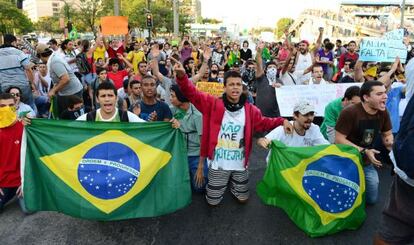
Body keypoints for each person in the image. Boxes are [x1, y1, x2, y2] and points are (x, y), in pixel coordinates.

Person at [174, 63, 293, 206]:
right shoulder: (212, 105)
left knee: (243, 200)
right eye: (231, 84)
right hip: (218, 165)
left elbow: (264, 122)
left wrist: (283, 121)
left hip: (240, 164)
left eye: (238, 84)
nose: (235, 87)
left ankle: (234, 186)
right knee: (212, 202)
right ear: (224, 87)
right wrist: (182, 77)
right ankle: (221, 184)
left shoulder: (251, 110)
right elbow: (191, 93)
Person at [335, 81, 393, 205]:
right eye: (379, 94)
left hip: (366, 162)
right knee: (344, 198)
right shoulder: (349, 112)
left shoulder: (383, 112)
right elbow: (339, 140)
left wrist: (392, 146)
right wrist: (364, 151)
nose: (385, 96)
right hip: (346, 161)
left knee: (371, 199)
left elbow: (387, 135)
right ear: (366, 97)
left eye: (385, 92)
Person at [257, 100, 329, 159]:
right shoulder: (283, 129)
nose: (310, 118)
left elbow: (326, 147)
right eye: (305, 115)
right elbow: (261, 140)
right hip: (281, 168)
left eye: (312, 114)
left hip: (298, 168)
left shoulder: (314, 129)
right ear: (295, 116)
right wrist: (263, 141)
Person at [169, 84, 208, 192]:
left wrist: (200, 167)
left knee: (199, 188)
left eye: (173, 96)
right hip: (180, 154)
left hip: (196, 155)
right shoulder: (174, 110)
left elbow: (204, 144)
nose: (170, 99)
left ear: (181, 97)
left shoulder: (197, 115)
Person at [0, 93, 30, 214]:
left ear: (16, 106)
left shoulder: (25, 127)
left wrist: (28, 181)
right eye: (2, 106)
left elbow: (33, 156)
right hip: (3, 182)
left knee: (28, 209)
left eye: (11, 105)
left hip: (22, 180)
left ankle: (21, 193)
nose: (6, 109)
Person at [36, 43, 83, 117]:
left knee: (74, 116)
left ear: (40, 56)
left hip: (72, 92)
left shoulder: (55, 62)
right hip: (68, 92)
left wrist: (53, 90)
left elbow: (65, 79)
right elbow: (59, 79)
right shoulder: (53, 59)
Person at [77, 82, 144, 122]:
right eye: (103, 96)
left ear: (117, 98)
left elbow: (147, 128)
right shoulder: (89, 118)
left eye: (110, 95)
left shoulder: (126, 117)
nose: (107, 99)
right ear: (97, 99)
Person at [0, 34, 35, 109]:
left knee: (8, 108)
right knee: (29, 106)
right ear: (13, 42)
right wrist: (32, 83)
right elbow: (28, 69)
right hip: (22, 86)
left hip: (4, 87)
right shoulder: (18, 52)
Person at [255, 42, 283, 118]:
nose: (272, 69)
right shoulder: (261, 78)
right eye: (270, 67)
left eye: (274, 67)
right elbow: (259, 63)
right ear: (265, 70)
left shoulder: (280, 81)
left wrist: (281, 88)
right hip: (261, 115)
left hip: (275, 115)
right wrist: (259, 52)